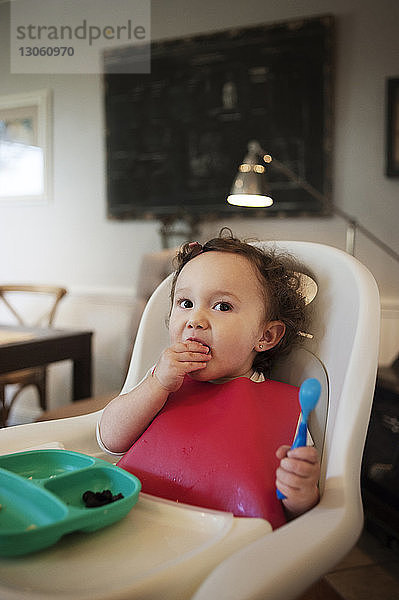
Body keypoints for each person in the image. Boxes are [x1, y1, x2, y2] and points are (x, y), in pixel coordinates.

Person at [98, 230, 320, 525]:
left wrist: (300, 494)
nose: (195, 320)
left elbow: (299, 518)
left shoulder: (289, 409)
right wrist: (157, 384)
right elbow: (109, 440)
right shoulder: (163, 384)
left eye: (222, 306)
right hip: (132, 518)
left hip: (225, 542)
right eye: (186, 303)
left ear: (265, 336)